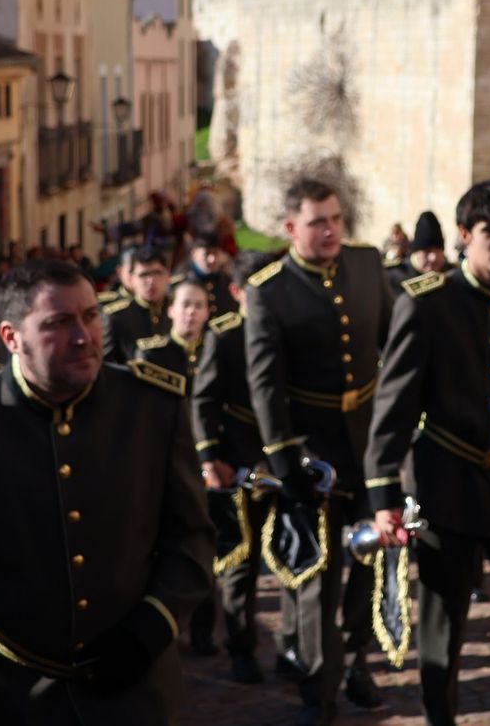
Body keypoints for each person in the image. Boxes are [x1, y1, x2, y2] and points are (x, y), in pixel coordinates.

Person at [0, 259, 213, 725]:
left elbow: (191, 537)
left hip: (133, 692)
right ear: (11, 338)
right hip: (3, 693)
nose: (84, 336)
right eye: (58, 323)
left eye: (90, 316)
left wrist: (153, 625)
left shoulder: (153, 406)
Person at [367, 180, 490, 726]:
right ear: (464, 237)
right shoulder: (427, 303)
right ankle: (440, 718)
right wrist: (383, 492)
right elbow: (395, 404)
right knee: (442, 626)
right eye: (489, 232)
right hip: (445, 485)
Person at [243, 177, 392, 725]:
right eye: (316, 222)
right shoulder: (269, 288)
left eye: (335, 219)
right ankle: (318, 688)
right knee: (317, 576)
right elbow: (265, 382)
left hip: (370, 442)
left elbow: (394, 343)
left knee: (369, 560)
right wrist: (284, 459)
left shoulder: (367, 263)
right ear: (290, 228)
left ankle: (354, 659)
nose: (330, 230)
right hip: (313, 453)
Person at [193, 253, 279, 685]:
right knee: (240, 564)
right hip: (239, 462)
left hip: (285, 461)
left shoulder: (289, 330)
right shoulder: (225, 336)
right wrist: (210, 458)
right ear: (238, 293)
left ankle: (297, 647)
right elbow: (204, 400)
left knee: (293, 556)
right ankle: (241, 648)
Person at [137, 277, 218, 656]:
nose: (191, 313)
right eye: (185, 304)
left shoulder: (218, 349)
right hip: (163, 463)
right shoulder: (153, 354)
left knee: (209, 544)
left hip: (207, 464)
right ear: (170, 309)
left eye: (199, 305)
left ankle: (205, 630)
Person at [100, 245, 170, 363]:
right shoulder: (117, 317)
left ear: (168, 275)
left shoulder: (179, 310)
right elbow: (107, 365)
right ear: (132, 279)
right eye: (143, 275)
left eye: (157, 273)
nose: (151, 281)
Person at [172, 234, 239, 318]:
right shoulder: (181, 284)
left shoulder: (227, 280)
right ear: (194, 255)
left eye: (216, 253)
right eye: (206, 254)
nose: (212, 259)